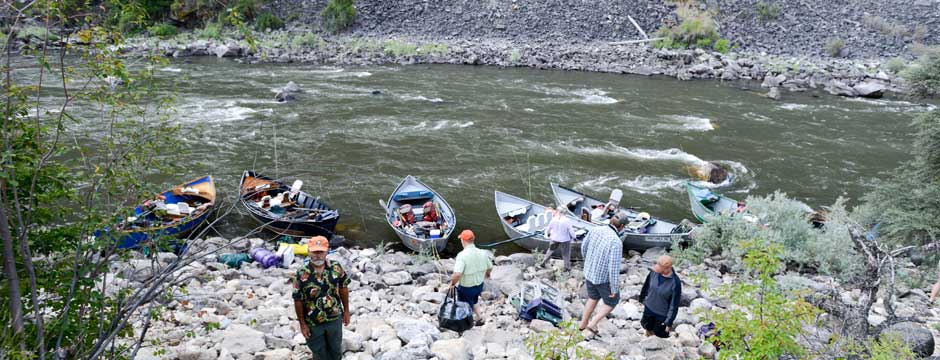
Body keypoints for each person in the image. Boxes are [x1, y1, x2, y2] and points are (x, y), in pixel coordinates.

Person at [292, 236, 350, 360]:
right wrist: (302, 324)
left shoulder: (336, 267)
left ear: (327, 251)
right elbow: (297, 299)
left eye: (321, 251)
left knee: (335, 350)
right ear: (308, 251)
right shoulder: (302, 273)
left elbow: (343, 287)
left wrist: (346, 311)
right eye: (314, 251)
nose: (318, 255)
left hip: (334, 318)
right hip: (313, 322)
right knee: (318, 352)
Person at [578, 211, 628, 335]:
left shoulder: (595, 229)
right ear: (621, 227)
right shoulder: (616, 242)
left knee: (593, 297)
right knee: (612, 302)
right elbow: (613, 267)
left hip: (589, 272)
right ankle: (592, 323)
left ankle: (582, 324)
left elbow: (583, 247)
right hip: (603, 278)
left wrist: (587, 261)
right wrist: (614, 288)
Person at [449, 229, 493, 326]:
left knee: (464, 306)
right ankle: (479, 317)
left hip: (466, 288)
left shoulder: (462, 255)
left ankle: (466, 325)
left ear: (463, 241)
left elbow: (457, 274)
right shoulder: (483, 253)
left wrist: (452, 283)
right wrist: (487, 274)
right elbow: (490, 267)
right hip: (479, 286)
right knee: (474, 300)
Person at [639, 255, 682, 338]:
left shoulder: (675, 283)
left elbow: (674, 304)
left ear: (667, 268)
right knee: (647, 328)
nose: (656, 268)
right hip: (648, 309)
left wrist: (669, 322)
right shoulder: (653, 273)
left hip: (662, 315)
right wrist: (642, 299)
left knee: (660, 335)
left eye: (660, 267)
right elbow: (646, 286)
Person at [541, 206, 575, 270]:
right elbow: (571, 232)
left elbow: (548, 228)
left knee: (550, 251)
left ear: (558, 211)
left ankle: (543, 263)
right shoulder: (567, 220)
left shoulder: (554, 219)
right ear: (566, 212)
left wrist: (546, 235)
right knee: (566, 254)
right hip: (565, 240)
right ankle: (567, 267)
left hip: (554, 238)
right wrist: (574, 237)